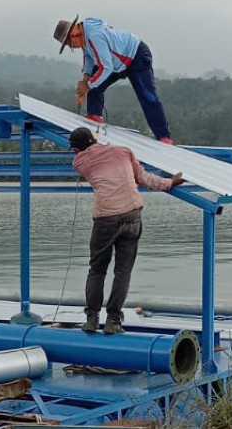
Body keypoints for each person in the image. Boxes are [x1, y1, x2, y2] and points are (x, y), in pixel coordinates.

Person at [69, 127, 184, 334]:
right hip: (132, 214)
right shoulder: (123, 151)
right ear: (94, 139)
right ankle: (113, 321)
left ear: (77, 149)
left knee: (97, 270)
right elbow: (143, 178)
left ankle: (92, 319)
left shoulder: (79, 162)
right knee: (122, 272)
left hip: (105, 218)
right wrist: (170, 182)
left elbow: (86, 158)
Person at [54, 16, 174, 144]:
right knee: (95, 84)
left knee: (147, 96)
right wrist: (86, 77)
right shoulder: (83, 36)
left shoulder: (95, 37)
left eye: (69, 44)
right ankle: (94, 116)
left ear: (73, 34)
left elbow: (106, 68)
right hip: (116, 62)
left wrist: (88, 85)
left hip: (136, 56)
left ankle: (163, 136)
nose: (72, 47)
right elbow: (88, 56)